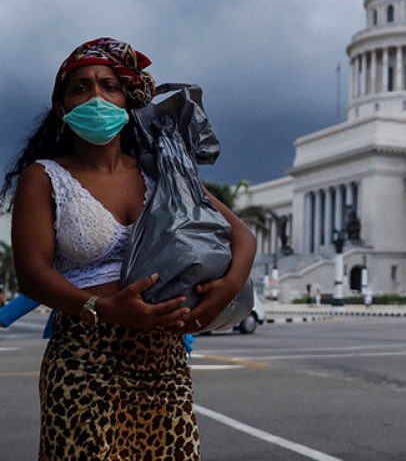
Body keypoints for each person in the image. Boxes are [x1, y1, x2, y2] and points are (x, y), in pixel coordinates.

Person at [0, 37, 256, 460]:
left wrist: (226, 289)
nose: (95, 96)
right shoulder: (45, 177)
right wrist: (104, 309)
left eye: (108, 86)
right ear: (63, 107)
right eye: (80, 87)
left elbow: (242, 236)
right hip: (85, 360)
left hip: (163, 365)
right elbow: (32, 273)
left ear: (128, 100)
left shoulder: (162, 175)